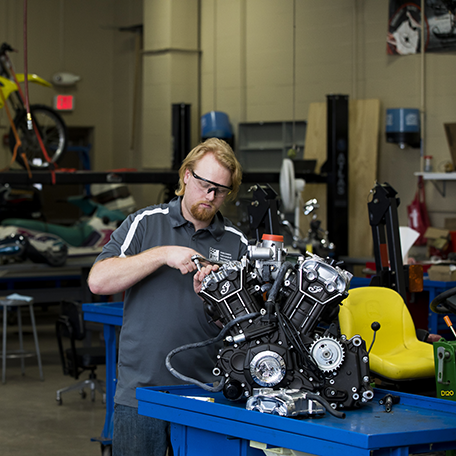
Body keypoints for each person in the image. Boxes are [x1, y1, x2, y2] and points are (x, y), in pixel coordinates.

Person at [87, 138, 248, 456]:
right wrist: (162, 254)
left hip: (204, 393)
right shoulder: (146, 223)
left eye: (221, 190)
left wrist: (217, 297)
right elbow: (99, 280)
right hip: (141, 392)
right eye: (205, 184)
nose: (211, 196)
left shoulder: (236, 243)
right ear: (187, 175)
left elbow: (246, 326)